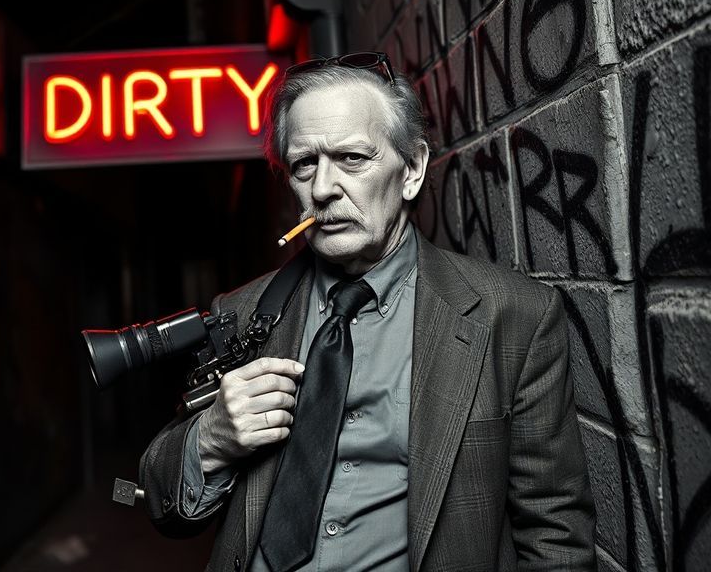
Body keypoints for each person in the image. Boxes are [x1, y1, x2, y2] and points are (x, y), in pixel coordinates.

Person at [139, 52, 596, 571]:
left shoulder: (512, 315)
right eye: (304, 163)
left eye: (353, 158)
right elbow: (161, 503)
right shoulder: (242, 312)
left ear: (413, 170)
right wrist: (212, 439)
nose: (322, 189)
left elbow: (555, 532)